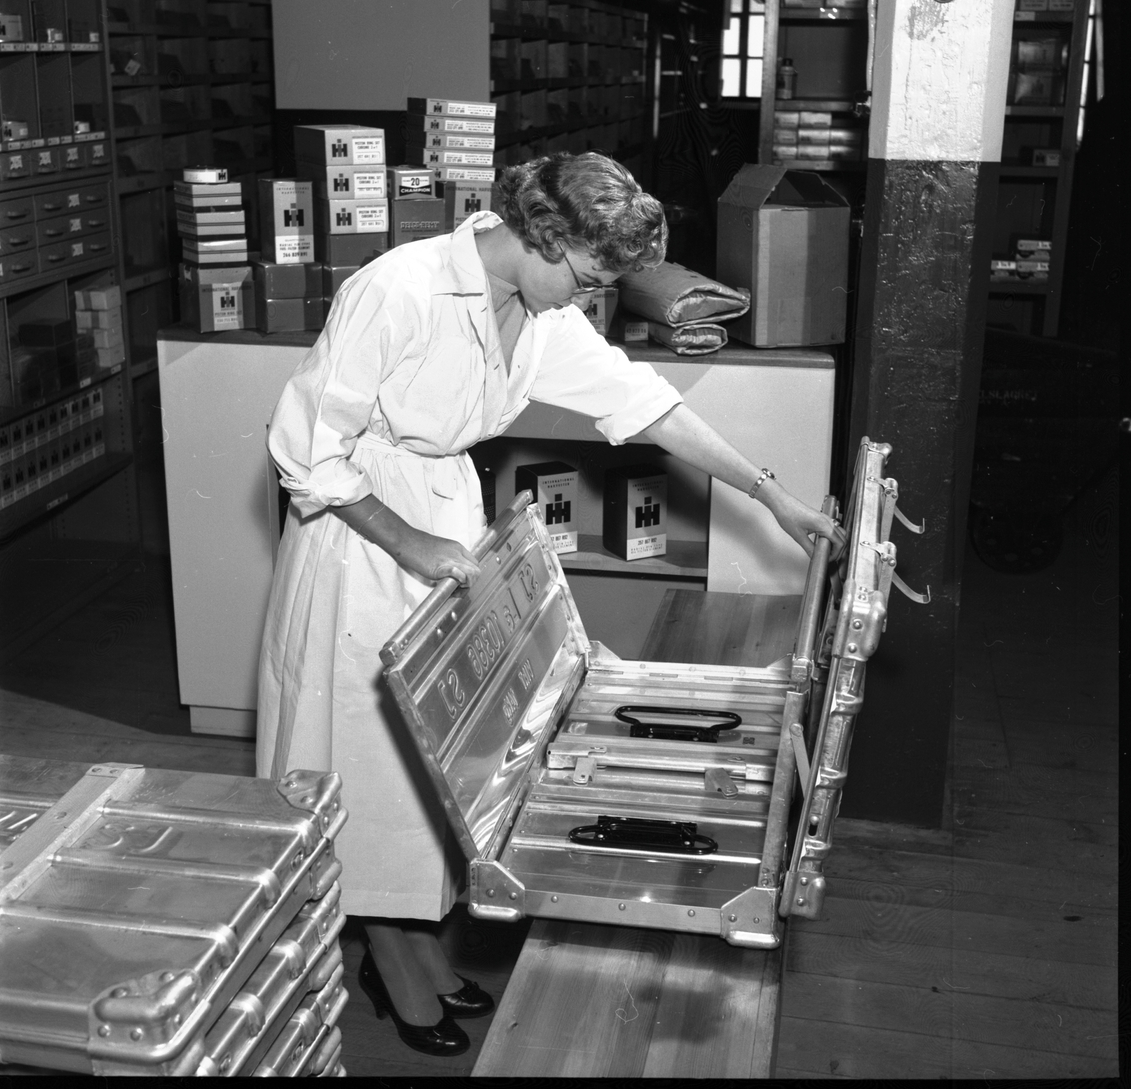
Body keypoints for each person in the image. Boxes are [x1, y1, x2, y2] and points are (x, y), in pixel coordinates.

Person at [256, 152, 844, 1056]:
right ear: (543, 233)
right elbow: (304, 449)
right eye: (586, 277)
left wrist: (773, 497)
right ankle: (391, 954)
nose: (588, 298)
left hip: (441, 524)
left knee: (442, 763)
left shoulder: (536, 311)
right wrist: (410, 543)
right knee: (369, 763)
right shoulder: (400, 288)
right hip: (360, 541)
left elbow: (645, 405)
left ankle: (411, 937)